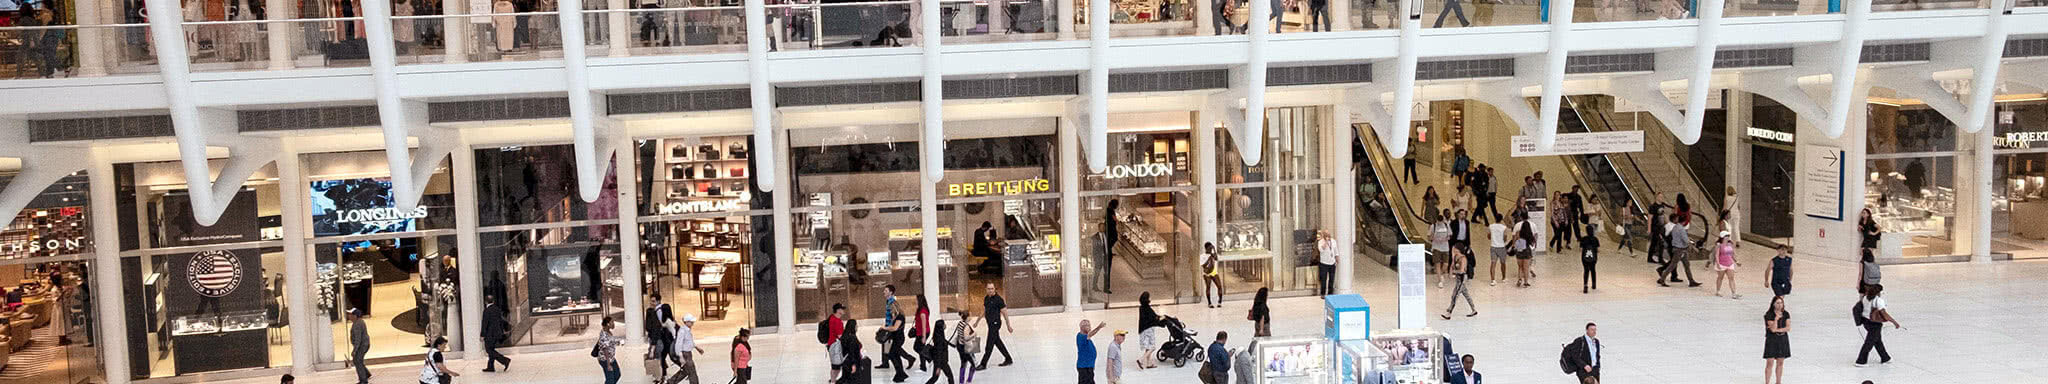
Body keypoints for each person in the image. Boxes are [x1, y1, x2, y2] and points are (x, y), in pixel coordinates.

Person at [1854, 284, 1902, 367]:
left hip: (1866, 322)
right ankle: (1861, 361)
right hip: (1875, 324)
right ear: (1879, 292)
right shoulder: (1879, 301)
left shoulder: (1865, 298)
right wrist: (1894, 322)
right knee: (1869, 343)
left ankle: (1885, 357)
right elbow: (1884, 314)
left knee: (1877, 341)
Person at [977, 283, 1014, 369]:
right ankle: (1008, 359)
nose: (990, 290)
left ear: (995, 289)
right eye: (989, 289)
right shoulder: (986, 298)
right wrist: (977, 321)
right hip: (990, 324)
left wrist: (1008, 325)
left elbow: (1005, 313)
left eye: (992, 288)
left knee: (989, 344)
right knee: (997, 342)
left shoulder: (999, 299)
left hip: (995, 324)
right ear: (986, 289)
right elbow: (984, 310)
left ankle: (983, 364)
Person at [1658, 213, 1701, 287]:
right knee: (1672, 265)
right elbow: (1686, 241)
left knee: (1686, 265)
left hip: (1678, 249)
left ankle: (1691, 281)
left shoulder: (1675, 227)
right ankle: (1662, 279)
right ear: (1684, 221)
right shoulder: (1681, 229)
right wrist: (1694, 247)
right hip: (1680, 250)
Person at [1439, 245, 1477, 319]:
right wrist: (1450, 272)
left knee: (1455, 295)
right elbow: (1452, 265)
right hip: (1458, 279)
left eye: (1454, 248)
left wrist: (1453, 272)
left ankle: (1449, 312)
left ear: (1457, 249)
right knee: (1466, 294)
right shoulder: (1455, 256)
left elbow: (1462, 271)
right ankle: (1474, 310)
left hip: (1462, 278)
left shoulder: (1463, 259)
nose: (1452, 249)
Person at [647, 293, 678, 377]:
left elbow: (662, 324)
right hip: (664, 337)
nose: (652, 303)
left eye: (653, 301)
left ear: (658, 301)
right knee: (663, 356)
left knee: (665, 356)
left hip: (664, 338)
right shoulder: (655, 311)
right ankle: (663, 373)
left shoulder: (659, 311)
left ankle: (661, 374)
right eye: (651, 301)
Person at [668, 314, 705, 384]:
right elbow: (678, 345)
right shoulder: (682, 331)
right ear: (686, 322)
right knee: (692, 372)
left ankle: (671, 382)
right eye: (691, 322)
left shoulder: (687, 330)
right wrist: (681, 356)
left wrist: (697, 348)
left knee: (685, 371)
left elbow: (689, 341)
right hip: (685, 354)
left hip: (688, 353)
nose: (692, 323)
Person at [1762, 296, 1790, 384]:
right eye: (1777, 303)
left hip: (1782, 339)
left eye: (1781, 303)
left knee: (1780, 362)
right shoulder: (1769, 315)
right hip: (1772, 340)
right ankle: (1767, 382)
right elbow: (1773, 329)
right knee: (1770, 362)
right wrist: (1776, 319)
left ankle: (1778, 381)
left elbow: (1788, 327)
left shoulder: (1786, 314)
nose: (1779, 305)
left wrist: (1778, 330)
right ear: (1773, 304)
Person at [481, 294, 513, 372]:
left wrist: (482, 335)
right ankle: (490, 366)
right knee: (491, 349)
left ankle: (505, 360)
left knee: (489, 350)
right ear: (493, 301)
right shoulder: (497, 309)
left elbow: (485, 324)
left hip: (490, 334)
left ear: (485, 302)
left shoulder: (486, 311)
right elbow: (500, 321)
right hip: (497, 333)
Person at [1135, 292, 1163, 369]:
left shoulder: (1141, 307)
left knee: (1148, 347)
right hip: (1148, 329)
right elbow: (1154, 317)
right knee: (1152, 347)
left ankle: (1149, 363)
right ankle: (1141, 360)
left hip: (1143, 330)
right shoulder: (1148, 308)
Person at [1075, 319, 1109, 384]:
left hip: (1088, 366)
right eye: (1087, 325)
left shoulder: (1087, 338)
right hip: (1084, 367)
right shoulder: (1081, 336)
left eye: (1089, 325)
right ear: (1082, 327)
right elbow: (1091, 334)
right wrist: (1099, 327)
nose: (1089, 327)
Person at [1710, 232, 1742, 299]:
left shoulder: (1730, 244)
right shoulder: (1719, 245)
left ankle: (1734, 293)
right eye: (1726, 236)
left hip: (1730, 263)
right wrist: (1718, 264)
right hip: (1722, 264)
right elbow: (1717, 255)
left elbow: (1732, 254)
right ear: (1722, 237)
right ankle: (1718, 291)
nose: (1727, 237)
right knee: (1720, 277)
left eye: (1728, 236)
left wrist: (1736, 261)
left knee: (1731, 278)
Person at [840, 319, 872, 384]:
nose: (857, 327)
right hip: (851, 362)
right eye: (856, 325)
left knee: (845, 379)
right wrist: (853, 364)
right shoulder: (852, 338)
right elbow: (852, 352)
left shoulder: (845, 335)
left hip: (845, 362)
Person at [925, 319, 957, 384]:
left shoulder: (938, 334)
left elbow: (944, 341)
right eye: (944, 324)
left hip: (939, 360)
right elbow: (939, 352)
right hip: (941, 361)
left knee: (935, 378)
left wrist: (952, 345)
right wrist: (938, 367)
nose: (945, 325)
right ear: (941, 326)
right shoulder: (939, 339)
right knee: (950, 377)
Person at [954, 313, 981, 383]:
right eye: (970, 315)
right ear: (967, 317)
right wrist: (974, 334)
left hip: (960, 346)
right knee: (973, 364)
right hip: (966, 348)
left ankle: (961, 381)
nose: (971, 317)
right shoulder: (966, 326)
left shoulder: (960, 323)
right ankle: (969, 380)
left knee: (963, 363)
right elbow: (966, 338)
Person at [1430, 211, 1453, 288]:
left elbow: (1449, 235)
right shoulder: (1433, 226)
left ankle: (1441, 274)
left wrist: (1445, 239)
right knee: (1437, 264)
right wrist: (1435, 239)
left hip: (1445, 248)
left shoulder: (1446, 225)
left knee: (1445, 264)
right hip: (1436, 247)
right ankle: (1440, 280)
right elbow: (1430, 236)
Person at [827, 303, 850, 382]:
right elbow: (840, 336)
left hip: (831, 344)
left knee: (835, 365)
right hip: (835, 346)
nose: (844, 311)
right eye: (842, 309)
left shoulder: (832, 318)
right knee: (836, 366)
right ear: (838, 310)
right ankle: (833, 381)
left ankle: (833, 380)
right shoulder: (837, 321)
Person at [1513, 213, 1536, 288]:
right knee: (1526, 268)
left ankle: (1519, 279)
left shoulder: (1518, 233)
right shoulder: (1530, 234)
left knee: (1520, 267)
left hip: (1519, 251)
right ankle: (1526, 282)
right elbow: (1532, 243)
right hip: (1527, 251)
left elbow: (1515, 241)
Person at [1486, 214, 1510, 286]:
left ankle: (1493, 280)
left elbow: (1489, 237)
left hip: (1493, 246)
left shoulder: (1490, 226)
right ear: (1501, 219)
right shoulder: (1504, 227)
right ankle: (1503, 277)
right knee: (1503, 263)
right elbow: (1505, 238)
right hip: (1501, 247)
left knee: (1493, 263)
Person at [349, 308, 371, 384]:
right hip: (363, 344)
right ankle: (366, 374)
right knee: (357, 360)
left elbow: (358, 338)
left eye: (350, 314)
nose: (349, 316)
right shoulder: (358, 322)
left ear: (355, 316)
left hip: (362, 345)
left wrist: (355, 350)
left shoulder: (357, 324)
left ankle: (363, 380)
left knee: (358, 361)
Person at [1646, 193, 1670, 264]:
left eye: (1662, 196)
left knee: (1653, 243)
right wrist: (1649, 229)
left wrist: (1668, 223)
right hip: (1655, 227)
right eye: (1660, 196)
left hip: (1661, 227)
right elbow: (1650, 218)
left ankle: (1649, 258)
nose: (1661, 198)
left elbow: (1663, 215)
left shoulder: (1662, 205)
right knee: (1661, 242)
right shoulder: (1653, 206)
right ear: (1656, 197)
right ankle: (1660, 259)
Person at [1103, 199, 1121, 294]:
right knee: (1107, 267)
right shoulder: (1109, 213)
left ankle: (1106, 286)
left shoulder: (1109, 212)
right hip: (1108, 243)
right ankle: (1106, 286)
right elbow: (1113, 222)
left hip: (1109, 243)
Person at [912, 294, 933, 371]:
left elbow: (924, 325)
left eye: (916, 299)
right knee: (920, 348)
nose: (915, 300)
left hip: (923, 332)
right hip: (920, 332)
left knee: (918, 348)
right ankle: (924, 365)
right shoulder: (920, 309)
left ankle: (928, 361)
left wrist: (924, 337)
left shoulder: (923, 311)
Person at [1202, 242, 1225, 308]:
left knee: (1219, 286)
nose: (1210, 250)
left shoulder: (1213, 255)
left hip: (1214, 272)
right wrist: (1209, 258)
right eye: (1209, 248)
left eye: (1211, 248)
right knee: (1208, 287)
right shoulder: (1203, 256)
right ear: (1206, 248)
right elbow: (1204, 266)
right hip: (1207, 273)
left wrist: (1214, 249)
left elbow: (1216, 258)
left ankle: (1219, 302)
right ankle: (1209, 303)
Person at [1579, 222, 1600, 294]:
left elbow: (1581, 249)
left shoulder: (1583, 239)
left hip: (1585, 258)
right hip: (1593, 258)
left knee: (1586, 271)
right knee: (1593, 270)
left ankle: (1585, 285)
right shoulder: (1595, 239)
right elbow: (1598, 250)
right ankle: (1594, 284)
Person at [1316, 230, 1337, 296]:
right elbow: (1321, 250)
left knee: (1331, 278)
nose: (1328, 236)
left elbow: (1336, 250)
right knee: (1324, 279)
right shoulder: (1320, 242)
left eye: (1328, 235)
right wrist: (1325, 242)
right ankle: (1323, 293)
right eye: (1326, 235)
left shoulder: (1333, 241)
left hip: (1332, 263)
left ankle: (1330, 293)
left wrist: (1337, 257)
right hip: (1324, 263)